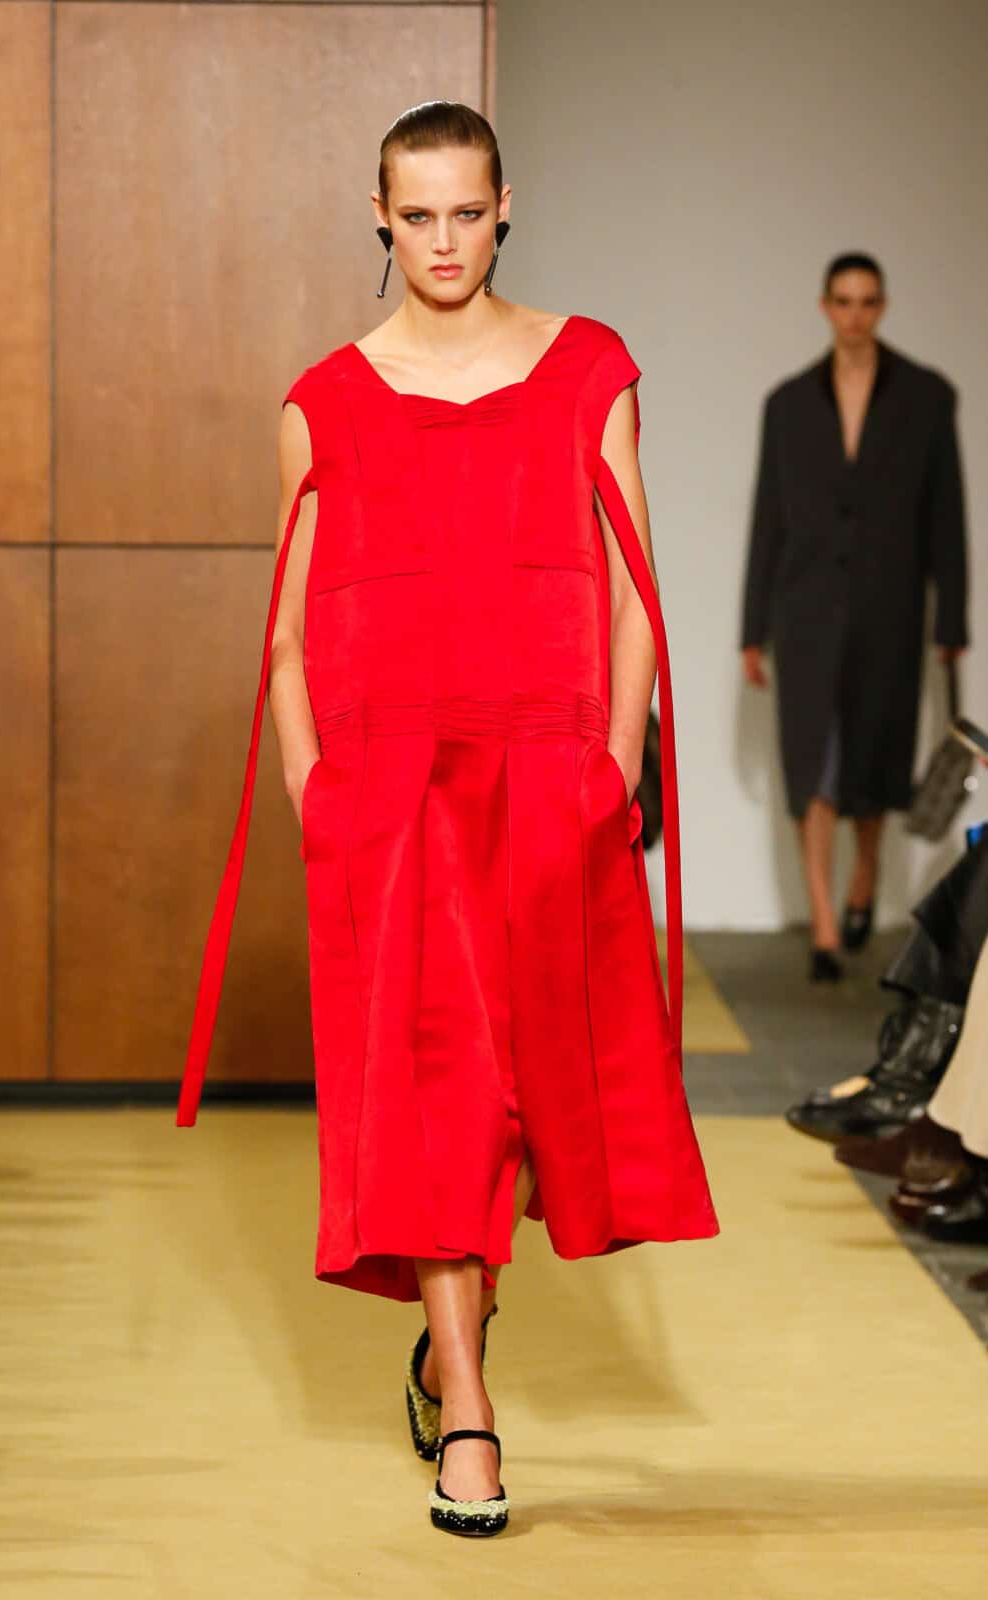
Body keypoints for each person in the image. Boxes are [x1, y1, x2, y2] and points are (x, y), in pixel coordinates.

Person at [176, 100, 719, 1537]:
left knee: (540, 1090)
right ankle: (467, 1403)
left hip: (545, 779)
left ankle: (445, 1339)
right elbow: (288, 635)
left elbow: (631, 591)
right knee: (433, 1098)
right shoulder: (324, 401)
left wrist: (611, 766)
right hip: (391, 796)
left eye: (464, 213)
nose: (440, 240)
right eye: (414, 216)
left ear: (502, 207)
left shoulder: (587, 368)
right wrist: (317, 793)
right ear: (378, 216)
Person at [740, 254, 970, 982]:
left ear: (882, 306)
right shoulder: (787, 404)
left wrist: (951, 622)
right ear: (824, 307)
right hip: (804, 611)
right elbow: (768, 519)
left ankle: (864, 877)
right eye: (842, 301)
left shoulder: (926, 398)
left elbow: (946, 516)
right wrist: (752, 628)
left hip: (889, 611)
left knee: (873, 759)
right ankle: (823, 922)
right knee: (813, 765)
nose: (855, 315)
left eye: (867, 301)